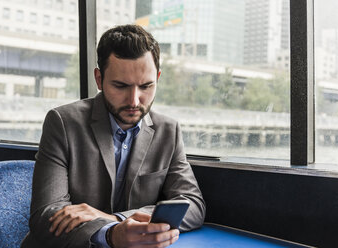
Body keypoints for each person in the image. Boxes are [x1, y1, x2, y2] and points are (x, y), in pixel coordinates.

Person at [21, 24, 205, 248]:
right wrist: (110, 235)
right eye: (120, 86)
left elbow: (192, 204)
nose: (134, 101)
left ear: (158, 77)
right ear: (99, 79)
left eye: (146, 86)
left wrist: (115, 220)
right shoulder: (62, 122)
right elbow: (46, 216)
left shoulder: (169, 131)